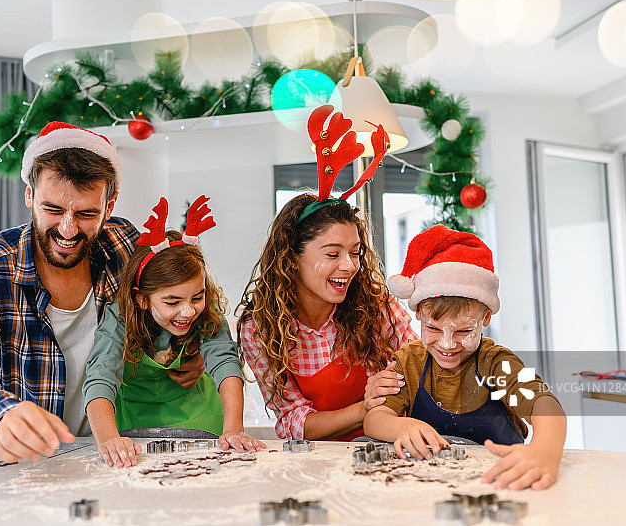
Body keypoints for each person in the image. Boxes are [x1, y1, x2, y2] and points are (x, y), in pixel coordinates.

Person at [0, 122, 205, 463]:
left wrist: (190, 352)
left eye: (86, 214)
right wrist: (0, 413)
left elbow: (176, 304)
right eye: (52, 209)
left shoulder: (126, 246)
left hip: (117, 452)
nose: (68, 230)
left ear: (110, 206)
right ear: (29, 196)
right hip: (24, 463)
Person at [237, 105, 416, 441]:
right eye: (332, 253)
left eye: (355, 252)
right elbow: (293, 423)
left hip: (392, 444)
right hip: (319, 460)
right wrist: (366, 407)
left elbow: (421, 363)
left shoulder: (377, 305)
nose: (349, 266)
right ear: (291, 258)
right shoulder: (260, 328)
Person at [364, 224, 567, 490]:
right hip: (429, 486)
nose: (447, 344)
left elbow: (546, 407)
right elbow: (374, 419)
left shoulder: (496, 364)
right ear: (419, 314)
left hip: (498, 484)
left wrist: (545, 451)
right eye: (433, 329)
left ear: (486, 317)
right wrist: (400, 427)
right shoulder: (409, 362)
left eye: (463, 331)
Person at [84, 196, 265, 468]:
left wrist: (234, 429)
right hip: (134, 427)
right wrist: (108, 439)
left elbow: (226, 363)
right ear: (142, 299)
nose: (188, 311)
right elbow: (100, 376)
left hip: (201, 422)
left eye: (197, 297)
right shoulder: (120, 317)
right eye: (172, 302)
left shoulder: (207, 310)